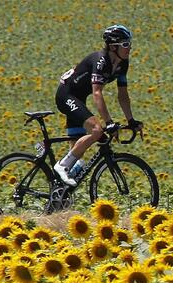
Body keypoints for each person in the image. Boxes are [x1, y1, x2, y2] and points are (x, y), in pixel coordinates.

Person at [53, 25, 142, 186]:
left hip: (79, 98)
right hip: (66, 95)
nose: (130, 48)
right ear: (114, 46)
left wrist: (131, 120)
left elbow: (122, 95)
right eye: (126, 44)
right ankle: (62, 166)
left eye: (130, 44)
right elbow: (97, 93)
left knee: (78, 156)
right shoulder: (101, 61)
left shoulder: (123, 64)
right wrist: (108, 122)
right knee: (96, 130)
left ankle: (59, 195)